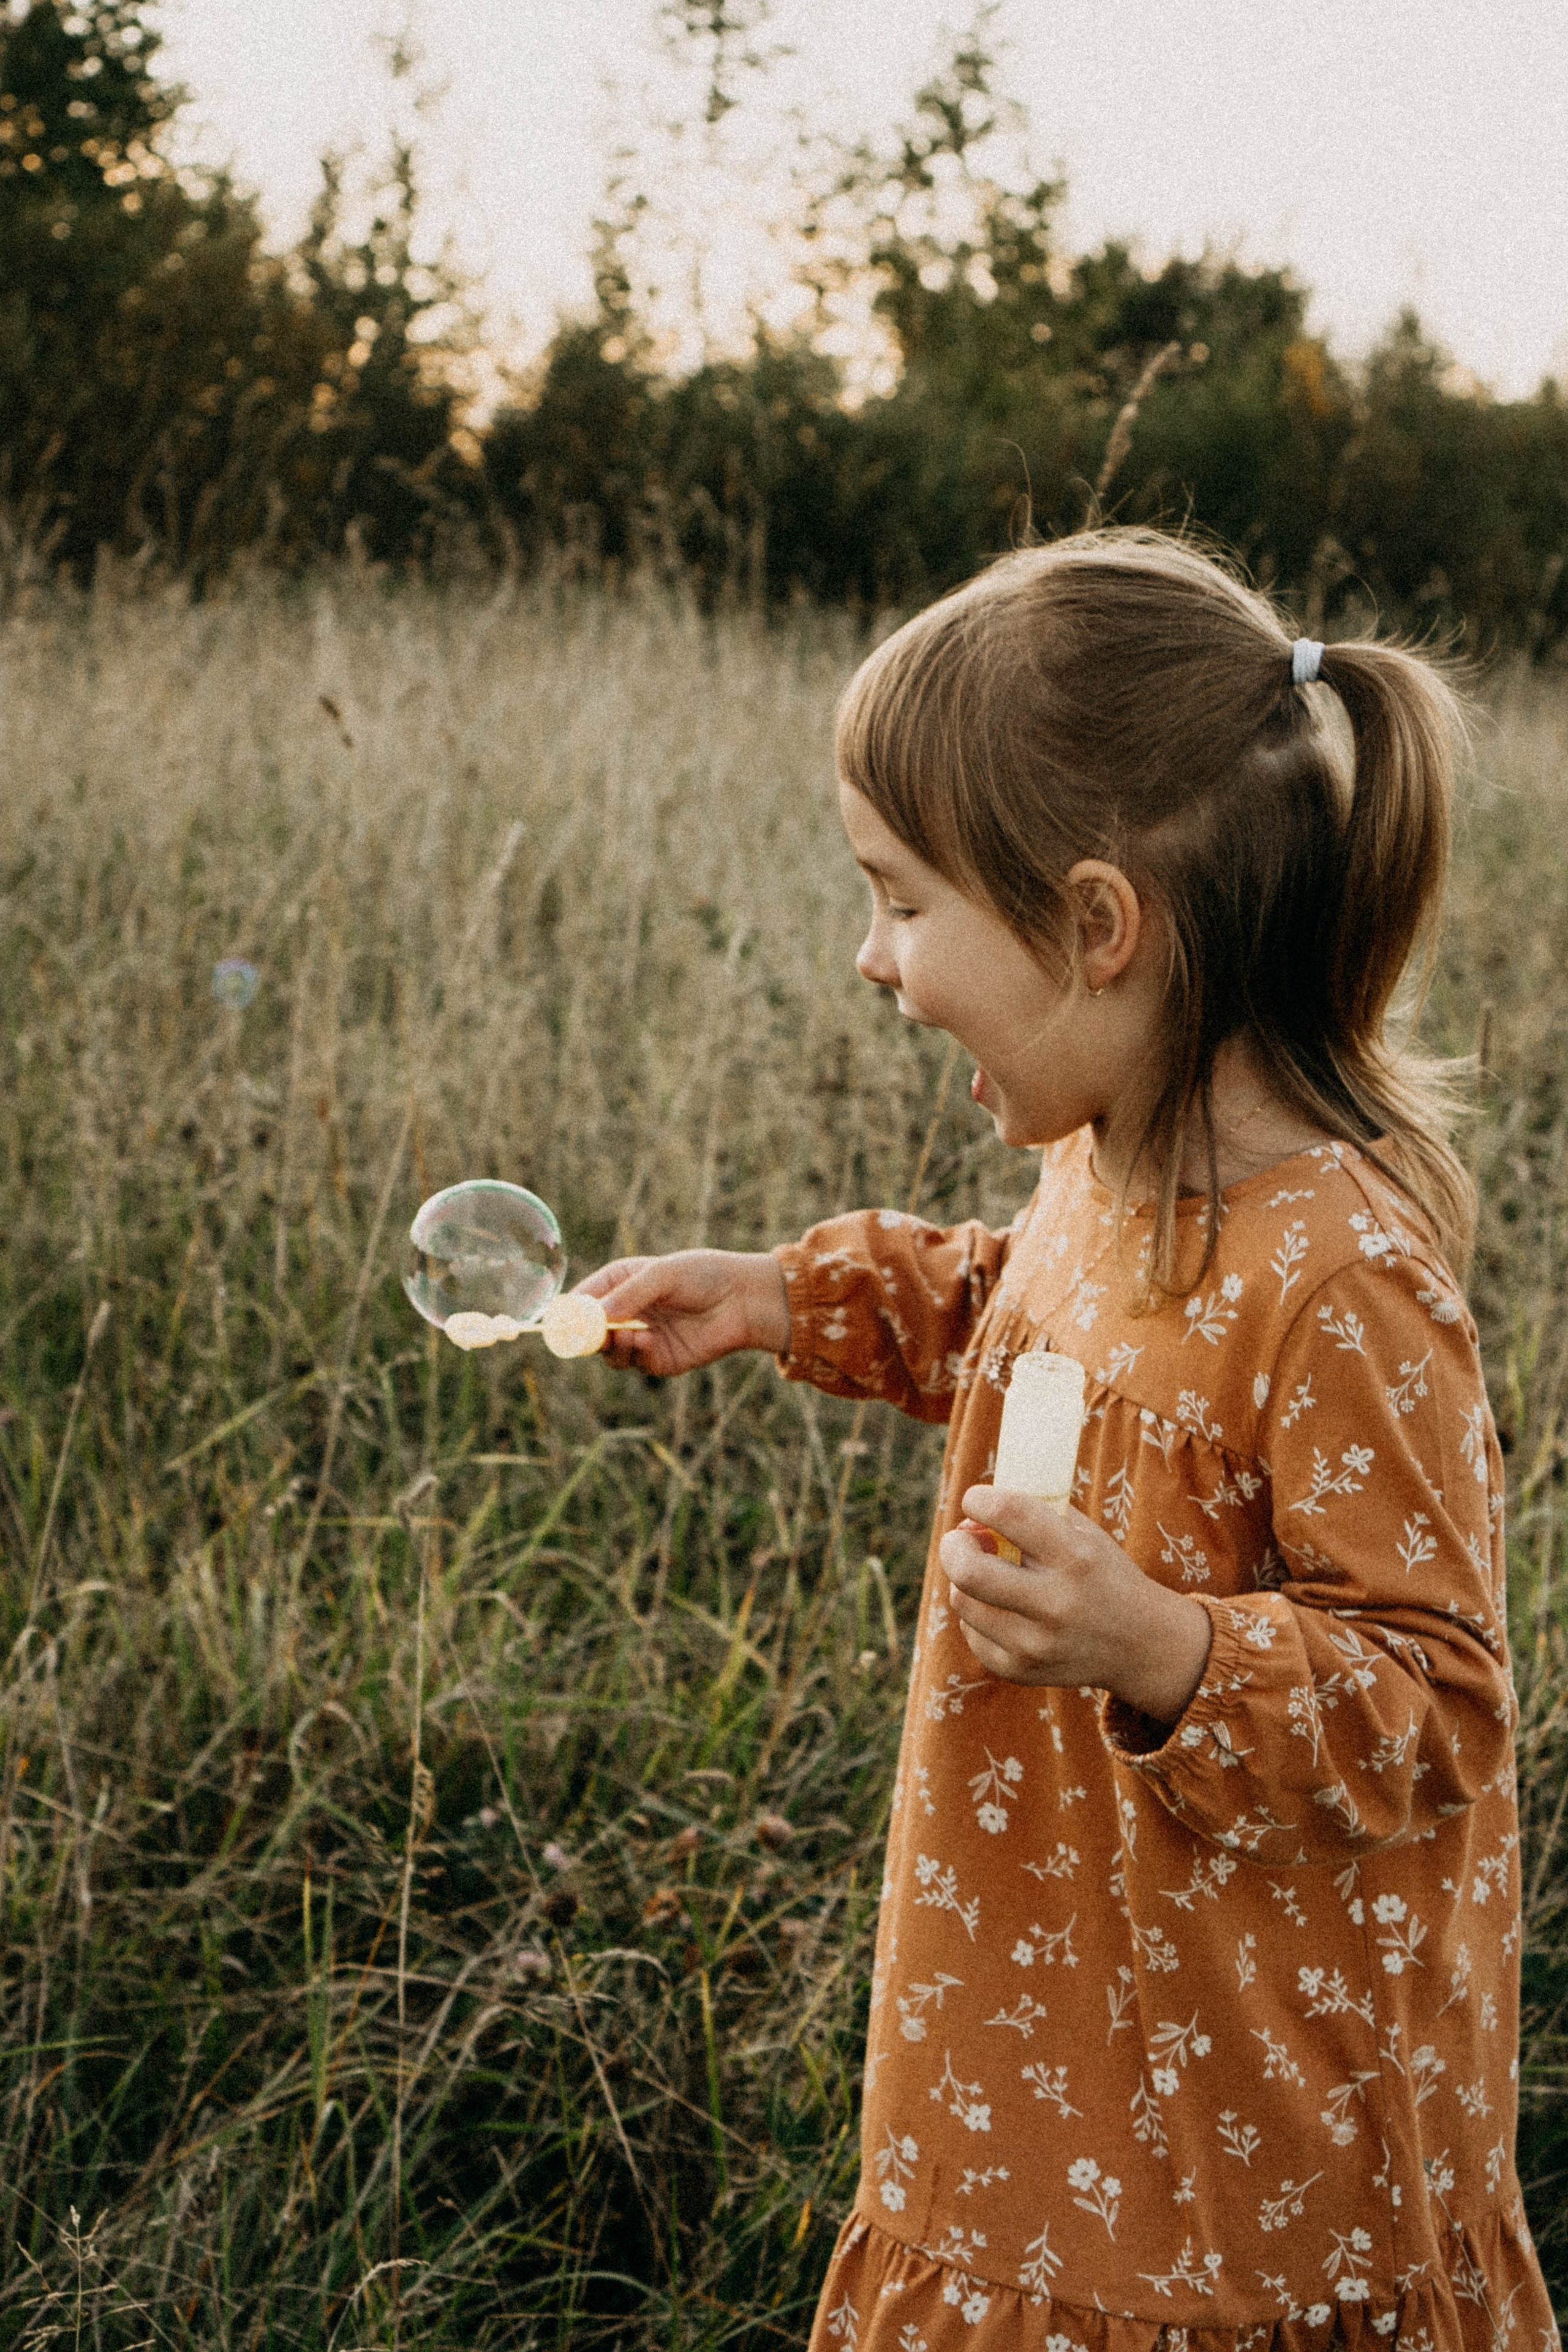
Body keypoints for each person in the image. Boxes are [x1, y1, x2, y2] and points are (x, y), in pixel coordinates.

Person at [581, 530, 1559, 2350]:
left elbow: (1440, 1706)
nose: (870, 956)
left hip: (1233, 2178)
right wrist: (794, 1297)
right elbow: (1028, 1329)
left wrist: (1165, 1651)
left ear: (1098, 925)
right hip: (1029, 2083)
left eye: (901, 898)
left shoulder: (1339, 1275)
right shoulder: (1094, 1168)